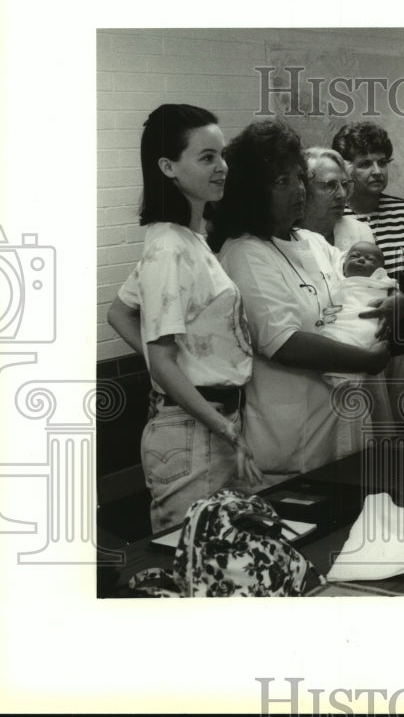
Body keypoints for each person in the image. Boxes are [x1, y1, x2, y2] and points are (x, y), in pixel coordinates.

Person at [105, 104, 261, 532]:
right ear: (168, 167)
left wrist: (178, 364)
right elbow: (159, 356)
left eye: (222, 155)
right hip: (195, 431)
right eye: (207, 158)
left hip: (205, 421)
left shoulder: (184, 239)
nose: (222, 168)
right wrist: (224, 428)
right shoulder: (169, 248)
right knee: (194, 570)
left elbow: (118, 313)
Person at [208, 119, 391, 484]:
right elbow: (284, 343)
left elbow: (358, 283)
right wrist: (368, 359)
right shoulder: (244, 253)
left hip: (343, 431)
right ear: (252, 193)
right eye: (282, 182)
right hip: (294, 447)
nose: (298, 189)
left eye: (296, 177)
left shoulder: (311, 241)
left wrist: (395, 300)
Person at [332, 122, 404, 421]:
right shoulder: (335, 218)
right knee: (369, 431)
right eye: (365, 163)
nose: (377, 171)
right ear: (345, 168)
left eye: (382, 162)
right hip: (358, 344)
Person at [316, 241, 398, 388]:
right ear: (344, 264)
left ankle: (349, 375)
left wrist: (398, 297)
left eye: (370, 259)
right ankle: (339, 372)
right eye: (355, 256)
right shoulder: (337, 276)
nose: (361, 260)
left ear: (380, 270)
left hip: (366, 315)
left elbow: (393, 290)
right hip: (341, 317)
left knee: (365, 332)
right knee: (331, 334)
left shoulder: (382, 281)